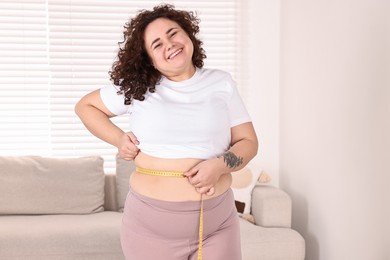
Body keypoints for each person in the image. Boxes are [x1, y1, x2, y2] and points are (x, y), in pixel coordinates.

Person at [75, 4, 258, 260]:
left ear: (188, 34)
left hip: (216, 226)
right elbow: (86, 106)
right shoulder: (137, 89)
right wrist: (118, 138)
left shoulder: (221, 82)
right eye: (157, 44)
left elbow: (248, 141)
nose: (169, 44)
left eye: (173, 33)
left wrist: (219, 166)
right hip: (150, 231)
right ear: (148, 58)